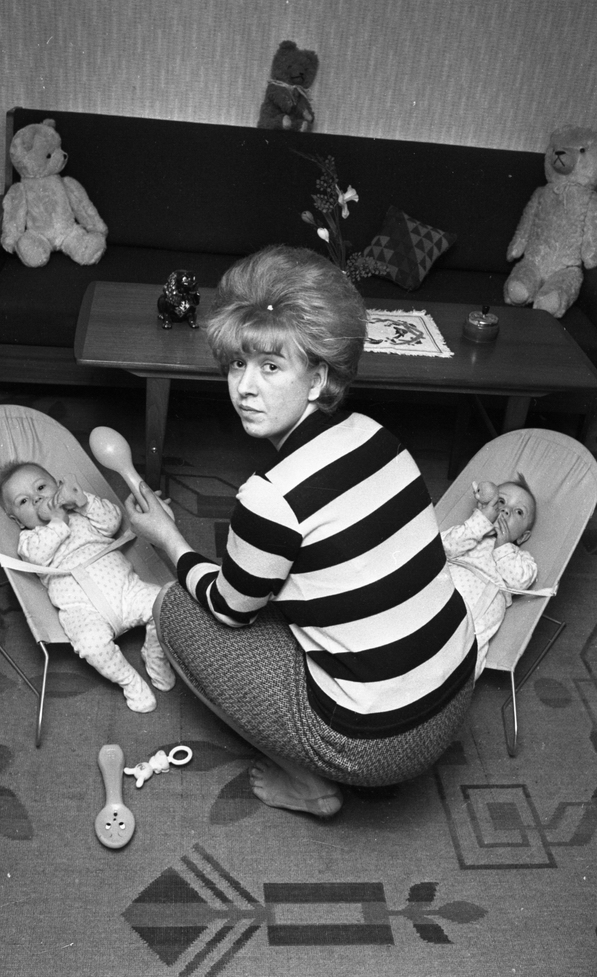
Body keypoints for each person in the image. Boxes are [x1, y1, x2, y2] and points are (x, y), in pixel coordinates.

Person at [126, 245, 477, 817]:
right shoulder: (379, 434)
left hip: (376, 745)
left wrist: (166, 537)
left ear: (316, 378)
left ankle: (308, 785)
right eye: (237, 364)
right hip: (456, 693)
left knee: (175, 608)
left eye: (271, 367)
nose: (245, 387)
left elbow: (228, 611)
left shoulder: (270, 498)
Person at [0, 461, 176, 712]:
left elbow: (113, 521)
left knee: (164, 603)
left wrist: (83, 501)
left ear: (59, 487)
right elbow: (37, 558)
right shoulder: (30, 539)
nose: (37, 499)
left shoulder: (82, 514)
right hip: (83, 611)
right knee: (91, 646)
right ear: (17, 520)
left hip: (126, 589)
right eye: (23, 501)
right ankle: (130, 682)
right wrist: (57, 523)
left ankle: (155, 654)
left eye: (41, 488)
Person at [441, 476, 538, 679]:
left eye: (519, 512)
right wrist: (480, 522)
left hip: (479, 614)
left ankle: (456, 686)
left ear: (523, 537)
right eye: (501, 502)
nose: (506, 510)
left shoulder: (520, 557)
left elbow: (519, 581)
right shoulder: (469, 532)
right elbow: (444, 547)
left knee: (466, 658)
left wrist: (502, 546)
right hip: (442, 594)